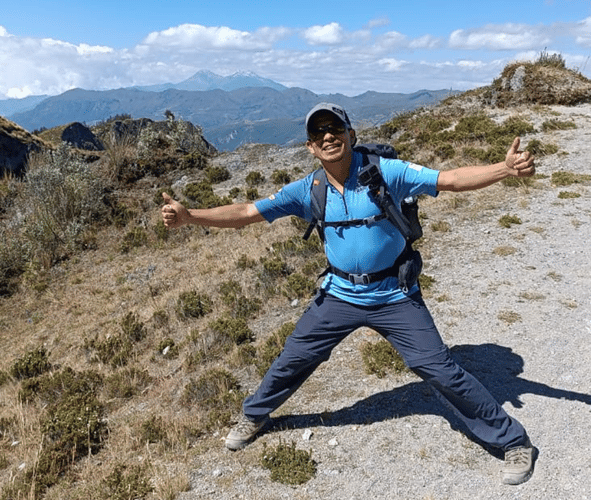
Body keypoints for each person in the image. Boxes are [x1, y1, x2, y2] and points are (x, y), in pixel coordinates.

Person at [161, 102, 538, 485]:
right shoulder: (309, 189)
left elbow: (451, 179)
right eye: (319, 133)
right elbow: (246, 212)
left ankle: (513, 441)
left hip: (394, 293)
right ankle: (255, 415)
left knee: (438, 368)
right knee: (294, 357)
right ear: (310, 147)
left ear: (351, 135)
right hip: (340, 294)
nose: (328, 136)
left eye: (335, 128)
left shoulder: (387, 172)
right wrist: (190, 216)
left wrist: (504, 170)